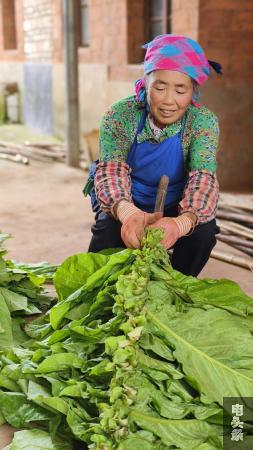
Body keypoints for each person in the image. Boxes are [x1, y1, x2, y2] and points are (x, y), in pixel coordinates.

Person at [86, 34, 222, 277]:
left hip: (177, 200)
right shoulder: (120, 116)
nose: (169, 100)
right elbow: (110, 173)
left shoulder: (202, 122)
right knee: (107, 235)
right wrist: (129, 214)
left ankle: (177, 285)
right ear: (145, 83)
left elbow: (203, 180)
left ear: (193, 91)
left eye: (181, 90)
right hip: (125, 198)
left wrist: (179, 224)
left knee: (203, 232)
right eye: (160, 87)